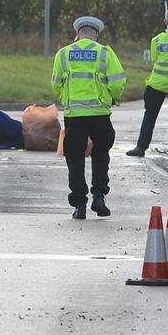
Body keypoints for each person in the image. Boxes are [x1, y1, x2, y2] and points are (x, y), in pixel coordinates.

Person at [52, 15, 127, 220]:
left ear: (78, 34)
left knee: (75, 159)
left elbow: (56, 83)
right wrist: (114, 99)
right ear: (96, 34)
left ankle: (79, 205)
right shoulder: (105, 53)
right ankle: (99, 196)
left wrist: (67, 100)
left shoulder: (63, 54)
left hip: (74, 115)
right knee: (101, 155)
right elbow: (118, 81)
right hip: (100, 114)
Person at [126, 8, 168, 157]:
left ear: (165, 22)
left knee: (150, 116)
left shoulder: (156, 40)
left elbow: (154, 58)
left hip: (157, 84)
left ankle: (140, 148)